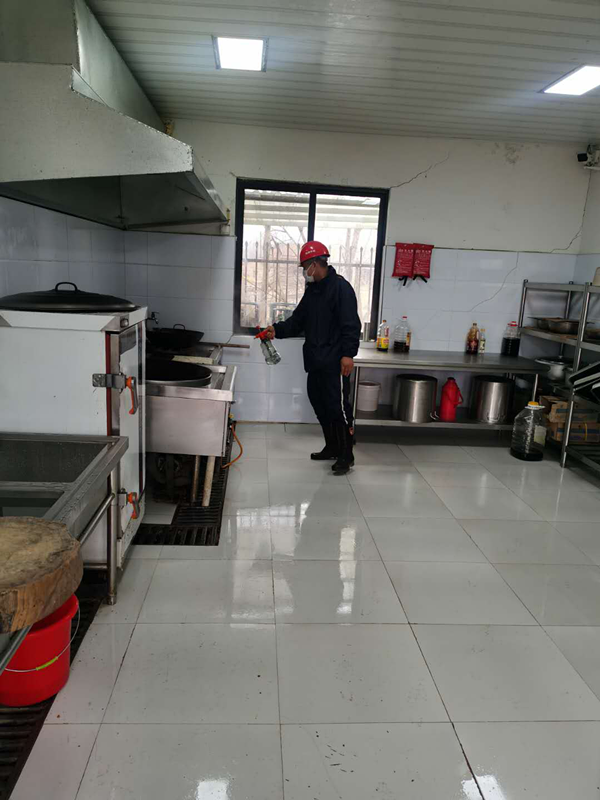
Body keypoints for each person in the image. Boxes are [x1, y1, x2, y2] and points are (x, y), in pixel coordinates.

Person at [264, 241, 361, 475]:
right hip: (316, 361)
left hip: (335, 362)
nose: (303, 271)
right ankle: (332, 446)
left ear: (315, 264)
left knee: (338, 407)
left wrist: (348, 354)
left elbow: (351, 324)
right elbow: (298, 321)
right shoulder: (313, 291)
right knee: (319, 403)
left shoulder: (341, 288)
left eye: (304, 266)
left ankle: (346, 454)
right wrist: (276, 330)